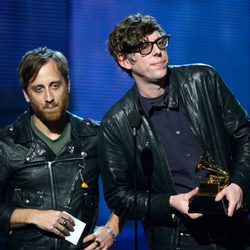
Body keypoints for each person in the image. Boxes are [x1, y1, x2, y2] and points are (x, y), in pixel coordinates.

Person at [99, 13, 250, 250]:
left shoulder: (203, 80)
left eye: (160, 42)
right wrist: (169, 203)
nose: (157, 51)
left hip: (234, 228)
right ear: (125, 61)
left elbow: (245, 135)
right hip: (178, 238)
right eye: (144, 47)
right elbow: (119, 195)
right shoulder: (116, 123)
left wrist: (239, 184)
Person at [0, 47, 121, 250]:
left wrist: (112, 230)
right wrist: (34, 216)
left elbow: (128, 187)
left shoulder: (95, 136)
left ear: (68, 85)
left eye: (55, 85)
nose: (49, 97)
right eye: (38, 89)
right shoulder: (6, 144)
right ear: (26, 94)